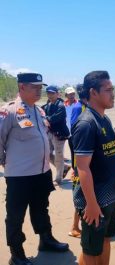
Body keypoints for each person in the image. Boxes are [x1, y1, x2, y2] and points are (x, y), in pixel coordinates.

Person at [0, 73, 69, 265]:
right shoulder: (10, 111)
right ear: (22, 87)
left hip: (41, 172)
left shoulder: (39, 111)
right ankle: (17, 253)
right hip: (19, 175)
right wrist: (6, 161)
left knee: (41, 208)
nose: (40, 91)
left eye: (41, 87)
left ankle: (45, 240)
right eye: (35, 87)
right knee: (16, 214)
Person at [72, 71, 115, 265]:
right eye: (108, 90)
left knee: (105, 240)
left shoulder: (105, 120)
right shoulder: (86, 123)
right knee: (91, 249)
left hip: (110, 195)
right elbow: (83, 168)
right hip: (94, 200)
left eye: (112, 89)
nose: (113, 94)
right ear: (93, 92)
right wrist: (91, 204)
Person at [69, 84, 87, 238]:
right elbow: (75, 132)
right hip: (80, 157)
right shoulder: (77, 107)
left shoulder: (87, 106)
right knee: (80, 192)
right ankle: (74, 227)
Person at [42, 85, 71, 185]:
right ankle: (65, 167)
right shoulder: (48, 104)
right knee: (46, 153)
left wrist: (45, 118)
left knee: (59, 156)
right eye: (48, 93)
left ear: (57, 94)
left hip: (59, 135)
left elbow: (54, 119)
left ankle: (59, 179)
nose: (50, 95)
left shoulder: (61, 106)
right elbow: (41, 112)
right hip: (50, 133)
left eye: (52, 93)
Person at [64, 86, 78, 171]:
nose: (72, 96)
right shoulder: (63, 105)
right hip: (69, 133)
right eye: (70, 94)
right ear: (66, 95)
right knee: (72, 152)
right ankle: (74, 169)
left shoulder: (78, 104)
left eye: (73, 94)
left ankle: (78, 170)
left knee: (78, 152)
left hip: (77, 132)